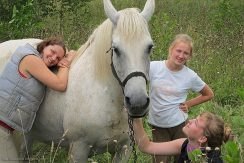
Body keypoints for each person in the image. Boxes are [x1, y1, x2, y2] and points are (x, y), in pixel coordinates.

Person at [0, 37, 76, 162]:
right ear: (44, 46)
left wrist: (68, 56)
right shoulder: (30, 59)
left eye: (58, 58)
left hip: (6, 126)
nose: (53, 58)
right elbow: (60, 84)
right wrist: (65, 65)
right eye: (52, 51)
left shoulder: (36, 60)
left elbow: (73, 52)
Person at [148, 34, 214, 163]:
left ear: (189, 56)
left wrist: (189, 104)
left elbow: (209, 94)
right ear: (171, 49)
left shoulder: (190, 76)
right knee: (160, 160)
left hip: (181, 125)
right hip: (158, 125)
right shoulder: (153, 67)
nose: (181, 55)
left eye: (186, 53)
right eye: (178, 50)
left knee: (182, 159)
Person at [133, 112, 232, 163]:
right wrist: (136, 117)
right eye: (195, 118)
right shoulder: (184, 144)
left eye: (196, 123)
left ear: (202, 139)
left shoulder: (211, 161)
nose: (190, 121)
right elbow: (146, 146)